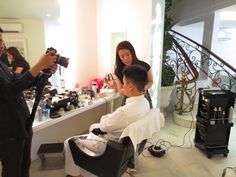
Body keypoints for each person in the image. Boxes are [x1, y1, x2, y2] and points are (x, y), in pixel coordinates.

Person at [64, 64, 150, 177]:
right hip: (125, 143)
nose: (122, 86)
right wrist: (110, 118)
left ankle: (76, 174)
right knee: (93, 127)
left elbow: (104, 126)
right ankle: (91, 163)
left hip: (111, 146)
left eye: (124, 83)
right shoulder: (145, 103)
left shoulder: (125, 112)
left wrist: (106, 117)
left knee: (69, 142)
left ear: (130, 86)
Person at [0, 26, 58, 177]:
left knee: (24, 167)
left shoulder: (2, 66)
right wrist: (39, 65)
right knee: (12, 171)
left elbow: (21, 81)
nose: (2, 45)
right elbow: (10, 90)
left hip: (22, 126)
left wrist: (45, 73)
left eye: (2, 40)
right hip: (9, 131)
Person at [114, 40, 153, 108]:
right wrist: (133, 90)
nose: (125, 58)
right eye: (122, 56)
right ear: (118, 57)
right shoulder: (118, 70)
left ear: (132, 53)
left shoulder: (144, 66)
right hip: (128, 99)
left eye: (128, 54)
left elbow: (150, 81)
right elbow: (120, 91)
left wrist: (143, 88)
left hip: (143, 97)